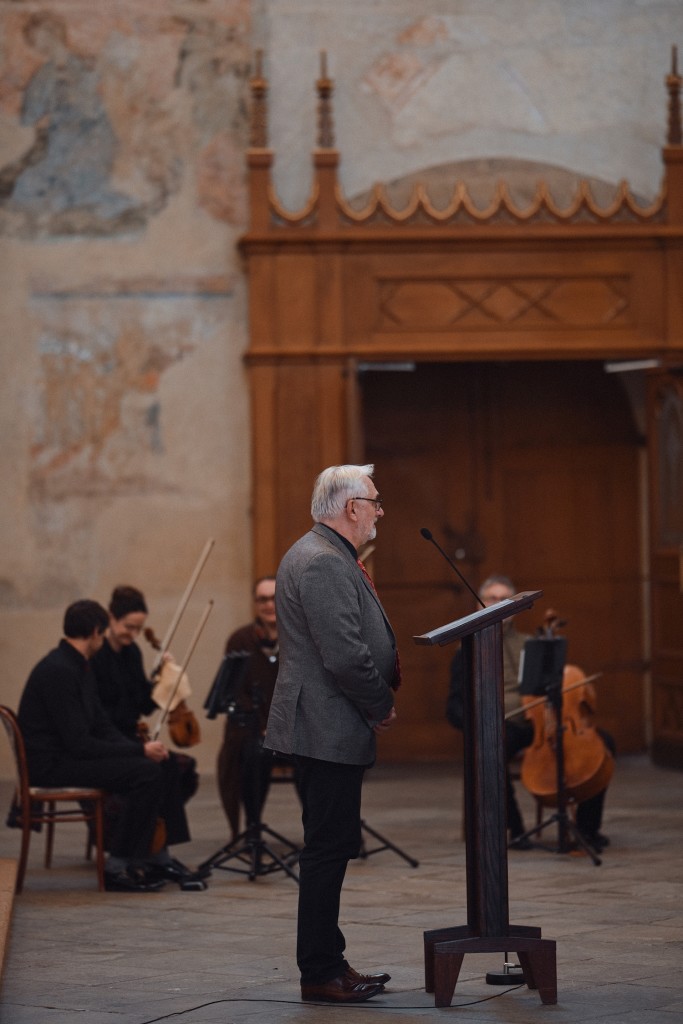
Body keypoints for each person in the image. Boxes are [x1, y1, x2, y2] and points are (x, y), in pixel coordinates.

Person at [265, 464, 399, 1005]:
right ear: (350, 507)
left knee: (333, 845)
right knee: (327, 849)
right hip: (326, 724)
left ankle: (328, 962)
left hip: (328, 723)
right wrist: (380, 704)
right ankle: (320, 971)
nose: (379, 510)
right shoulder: (321, 561)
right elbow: (344, 655)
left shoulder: (327, 554)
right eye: (374, 501)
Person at [446, 574, 614, 852]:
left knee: (603, 744)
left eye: (504, 599)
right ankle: (514, 829)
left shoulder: (531, 644)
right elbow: (454, 708)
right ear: (479, 605)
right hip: (504, 724)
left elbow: (556, 687)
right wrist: (479, 723)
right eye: (491, 598)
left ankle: (587, 829)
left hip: (543, 722)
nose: (498, 604)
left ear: (515, 606)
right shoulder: (467, 650)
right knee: (491, 750)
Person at [18, 600, 172, 892]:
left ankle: (153, 857)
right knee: (145, 773)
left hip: (68, 757)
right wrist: (137, 752)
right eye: (102, 634)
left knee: (155, 765)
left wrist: (141, 747)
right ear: (95, 631)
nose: (102, 639)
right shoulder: (58, 670)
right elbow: (79, 743)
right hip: (52, 767)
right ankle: (118, 867)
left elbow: (101, 725)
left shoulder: (77, 665)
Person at [90, 585, 203, 886]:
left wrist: (164, 680)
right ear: (111, 618)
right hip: (108, 739)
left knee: (170, 764)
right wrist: (135, 746)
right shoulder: (96, 655)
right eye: (128, 627)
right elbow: (98, 715)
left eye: (139, 628)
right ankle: (133, 859)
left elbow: (142, 703)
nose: (133, 634)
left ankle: (159, 854)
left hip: (127, 736)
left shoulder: (132, 652)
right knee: (155, 768)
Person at [217, 575, 287, 841]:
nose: (269, 604)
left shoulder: (297, 636)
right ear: (255, 604)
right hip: (254, 731)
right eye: (262, 599)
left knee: (313, 758)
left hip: (291, 731)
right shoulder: (240, 640)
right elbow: (235, 691)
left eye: (273, 598)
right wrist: (263, 726)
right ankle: (253, 826)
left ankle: (316, 829)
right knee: (253, 754)